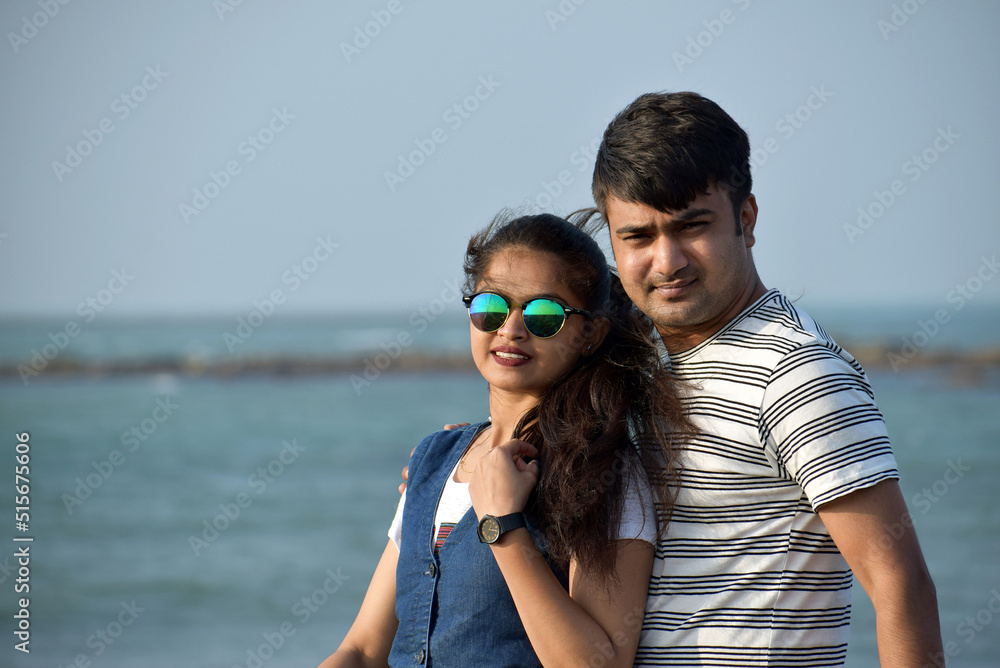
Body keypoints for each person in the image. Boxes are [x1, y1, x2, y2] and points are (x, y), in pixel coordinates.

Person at [589, 91, 943, 667]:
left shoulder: (797, 373)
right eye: (639, 236)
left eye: (692, 226)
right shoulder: (650, 371)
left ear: (746, 219)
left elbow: (901, 585)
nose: (668, 260)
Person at [318, 211, 691, 667]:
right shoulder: (433, 460)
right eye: (492, 307)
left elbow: (599, 664)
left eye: (544, 314)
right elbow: (362, 649)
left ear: (590, 333)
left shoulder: (604, 470)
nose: (511, 329)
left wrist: (503, 525)